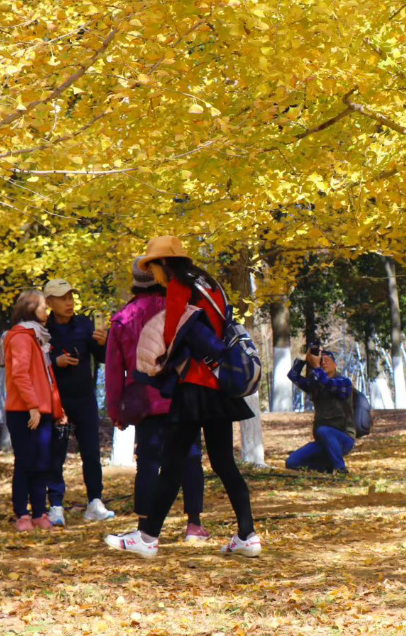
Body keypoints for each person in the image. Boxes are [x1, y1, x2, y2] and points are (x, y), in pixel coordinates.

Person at [106, 236, 260, 559]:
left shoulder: (179, 288)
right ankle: (247, 535)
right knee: (223, 463)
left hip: (194, 387)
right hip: (219, 387)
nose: (155, 276)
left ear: (165, 264)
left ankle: (147, 538)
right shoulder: (208, 282)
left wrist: (167, 362)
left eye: (154, 267)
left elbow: (179, 333)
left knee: (172, 462)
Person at [105, 258, 209, 542]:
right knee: (190, 458)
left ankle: (145, 529)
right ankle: (194, 526)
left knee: (148, 462)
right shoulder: (181, 308)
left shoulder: (122, 318)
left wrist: (116, 411)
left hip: (145, 400)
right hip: (183, 395)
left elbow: (114, 372)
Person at [43, 279, 114, 525]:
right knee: (56, 453)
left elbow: (103, 358)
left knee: (91, 452)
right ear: (49, 302)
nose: (69, 302)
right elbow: (34, 363)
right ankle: (56, 506)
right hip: (57, 404)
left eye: (71, 297)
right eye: (62, 298)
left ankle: (95, 501)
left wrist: (104, 343)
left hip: (85, 401)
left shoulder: (85, 325)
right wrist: (55, 361)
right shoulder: (43, 329)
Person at [3, 290, 67, 531]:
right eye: (42, 306)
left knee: (43, 463)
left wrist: (56, 409)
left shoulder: (38, 339)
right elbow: (20, 375)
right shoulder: (20, 336)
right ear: (30, 308)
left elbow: (48, 378)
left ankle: (40, 513)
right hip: (24, 411)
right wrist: (32, 406)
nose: (46, 310)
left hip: (42, 409)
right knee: (26, 463)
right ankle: (23, 515)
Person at [286, 349, 356, 474]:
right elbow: (293, 375)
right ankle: (326, 467)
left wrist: (316, 366)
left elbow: (328, 383)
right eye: (321, 360)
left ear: (335, 365)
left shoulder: (344, 382)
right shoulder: (317, 385)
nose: (323, 363)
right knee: (292, 462)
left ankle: (340, 469)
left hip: (343, 438)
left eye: (327, 360)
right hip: (323, 442)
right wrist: (304, 358)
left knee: (323, 430)